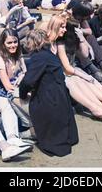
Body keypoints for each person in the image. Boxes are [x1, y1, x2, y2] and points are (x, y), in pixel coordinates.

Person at [47, 15, 102, 119]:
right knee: (77, 80)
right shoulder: (55, 42)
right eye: (62, 27)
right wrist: (84, 76)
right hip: (57, 74)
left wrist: (82, 38)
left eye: (65, 27)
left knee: (88, 80)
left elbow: (85, 55)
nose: (78, 30)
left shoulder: (67, 40)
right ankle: (96, 108)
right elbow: (66, 67)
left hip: (68, 71)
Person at [19, 29, 79, 157]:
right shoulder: (49, 54)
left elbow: (28, 82)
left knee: (34, 107)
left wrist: (22, 94)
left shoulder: (38, 57)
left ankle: (31, 132)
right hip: (60, 94)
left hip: (50, 96)